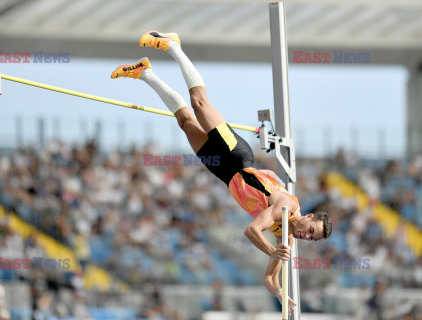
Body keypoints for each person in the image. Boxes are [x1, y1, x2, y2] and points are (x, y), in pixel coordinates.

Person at [111, 31, 333, 312]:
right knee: (200, 103)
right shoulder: (286, 209)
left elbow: (269, 277)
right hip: (237, 157)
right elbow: (252, 230)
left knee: (184, 122)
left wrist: (279, 293)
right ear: (309, 218)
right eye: (310, 231)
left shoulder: (285, 238)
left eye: (311, 239)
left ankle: (145, 74)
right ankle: (174, 46)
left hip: (225, 174)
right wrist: (273, 250)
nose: (306, 237)